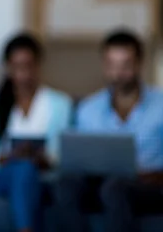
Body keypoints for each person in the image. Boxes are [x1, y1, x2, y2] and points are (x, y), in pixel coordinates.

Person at [54, 29, 163, 232]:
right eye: (111, 66)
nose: (118, 74)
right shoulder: (89, 108)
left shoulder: (160, 105)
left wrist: (153, 175)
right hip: (99, 183)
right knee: (65, 184)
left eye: (126, 66)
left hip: (148, 186)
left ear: (140, 64)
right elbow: (80, 158)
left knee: (115, 188)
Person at [0, 32, 73, 232]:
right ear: (7, 67)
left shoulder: (59, 104)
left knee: (28, 170)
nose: (23, 74)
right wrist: (12, 157)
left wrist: (42, 158)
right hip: (2, 176)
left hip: (43, 175)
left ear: (38, 65)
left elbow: (61, 153)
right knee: (23, 169)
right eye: (16, 67)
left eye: (28, 66)